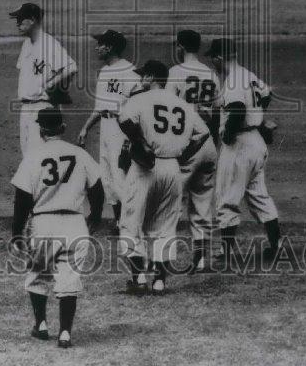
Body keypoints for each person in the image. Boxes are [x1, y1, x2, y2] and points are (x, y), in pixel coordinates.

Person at [11, 106, 105, 349]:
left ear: (41, 130)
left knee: (38, 273)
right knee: (69, 278)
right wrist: (94, 216)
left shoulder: (32, 156)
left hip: (43, 222)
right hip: (74, 223)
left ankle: (41, 325)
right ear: (62, 128)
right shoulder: (79, 154)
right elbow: (97, 188)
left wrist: (16, 232)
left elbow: (22, 199)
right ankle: (65, 333)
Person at [118, 60, 210, 295]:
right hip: (172, 168)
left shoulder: (139, 99)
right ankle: (159, 281)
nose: (141, 80)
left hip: (144, 168)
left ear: (150, 77)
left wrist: (140, 143)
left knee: (131, 222)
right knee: (166, 226)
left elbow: (124, 120)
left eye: (143, 76)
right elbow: (202, 134)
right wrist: (183, 156)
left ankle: (138, 278)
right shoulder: (182, 105)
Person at [208, 38, 280, 267]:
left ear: (219, 57)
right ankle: (275, 245)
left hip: (239, 144)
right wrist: (257, 115)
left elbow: (237, 109)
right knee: (259, 195)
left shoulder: (233, 81)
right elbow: (267, 94)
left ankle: (226, 252)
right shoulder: (248, 75)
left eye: (213, 58)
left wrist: (228, 134)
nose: (212, 62)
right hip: (256, 143)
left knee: (226, 198)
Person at [76, 29, 139, 235]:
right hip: (106, 126)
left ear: (110, 47)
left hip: (121, 128)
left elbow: (138, 104)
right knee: (107, 177)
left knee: (120, 174)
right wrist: (86, 127)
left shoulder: (129, 71)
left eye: (100, 44)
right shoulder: (105, 71)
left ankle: (129, 223)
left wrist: (131, 136)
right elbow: (100, 107)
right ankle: (119, 220)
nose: (97, 47)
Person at [167, 29, 220, 271]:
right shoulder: (211, 73)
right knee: (202, 201)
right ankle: (200, 261)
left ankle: (162, 260)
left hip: (185, 144)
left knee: (171, 200)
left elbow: (167, 111)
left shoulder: (175, 73)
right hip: (207, 141)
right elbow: (217, 112)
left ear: (180, 46)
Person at [10, 1, 77, 156]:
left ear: (33, 19)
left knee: (39, 157)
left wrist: (50, 84)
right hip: (26, 108)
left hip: (42, 108)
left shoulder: (49, 44)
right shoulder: (27, 43)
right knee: (27, 157)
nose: (17, 23)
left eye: (21, 18)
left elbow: (72, 67)